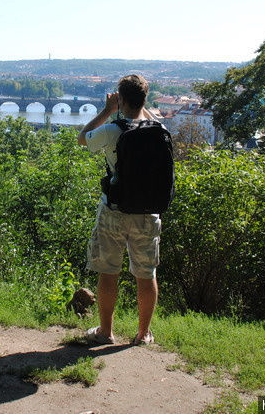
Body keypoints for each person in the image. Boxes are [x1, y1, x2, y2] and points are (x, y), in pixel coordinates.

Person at [77, 74, 163, 346]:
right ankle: (143, 333)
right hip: (148, 212)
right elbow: (150, 119)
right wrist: (138, 106)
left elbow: (82, 139)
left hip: (114, 211)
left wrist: (107, 110)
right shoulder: (159, 130)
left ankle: (105, 332)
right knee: (146, 274)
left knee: (108, 271)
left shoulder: (112, 130)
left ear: (121, 99)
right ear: (145, 100)